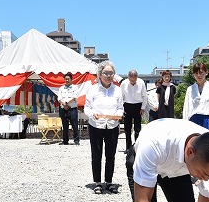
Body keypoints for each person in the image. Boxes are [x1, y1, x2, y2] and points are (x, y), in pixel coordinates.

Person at [84, 61, 124, 194]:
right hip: (96, 125)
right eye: (106, 73)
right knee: (96, 154)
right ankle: (97, 182)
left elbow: (120, 108)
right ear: (100, 75)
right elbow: (87, 108)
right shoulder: (92, 89)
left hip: (112, 125)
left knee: (110, 155)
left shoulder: (118, 90)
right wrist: (92, 114)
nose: (109, 76)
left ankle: (109, 181)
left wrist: (118, 115)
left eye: (111, 73)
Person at [183, 62, 209, 131]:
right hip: (193, 120)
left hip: (208, 120)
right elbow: (186, 107)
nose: (198, 75)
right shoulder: (190, 89)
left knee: (208, 141)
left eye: (201, 73)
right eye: (196, 73)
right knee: (194, 141)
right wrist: (185, 123)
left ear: (206, 72)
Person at [120, 70, 148, 150]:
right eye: (131, 80)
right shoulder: (124, 83)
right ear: (128, 78)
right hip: (127, 106)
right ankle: (128, 147)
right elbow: (120, 97)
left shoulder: (141, 82)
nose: (133, 82)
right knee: (127, 129)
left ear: (137, 77)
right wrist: (121, 108)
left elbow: (144, 96)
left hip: (138, 106)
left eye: (134, 80)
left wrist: (143, 108)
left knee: (137, 129)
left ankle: (137, 147)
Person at [57, 73, 80, 145]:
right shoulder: (61, 88)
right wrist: (63, 104)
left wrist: (66, 103)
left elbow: (75, 97)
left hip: (72, 108)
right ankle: (65, 141)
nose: (67, 80)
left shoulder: (75, 87)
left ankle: (76, 140)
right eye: (66, 79)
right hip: (63, 108)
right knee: (65, 125)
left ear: (71, 79)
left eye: (68, 79)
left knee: (74, 125)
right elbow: (59, 98)